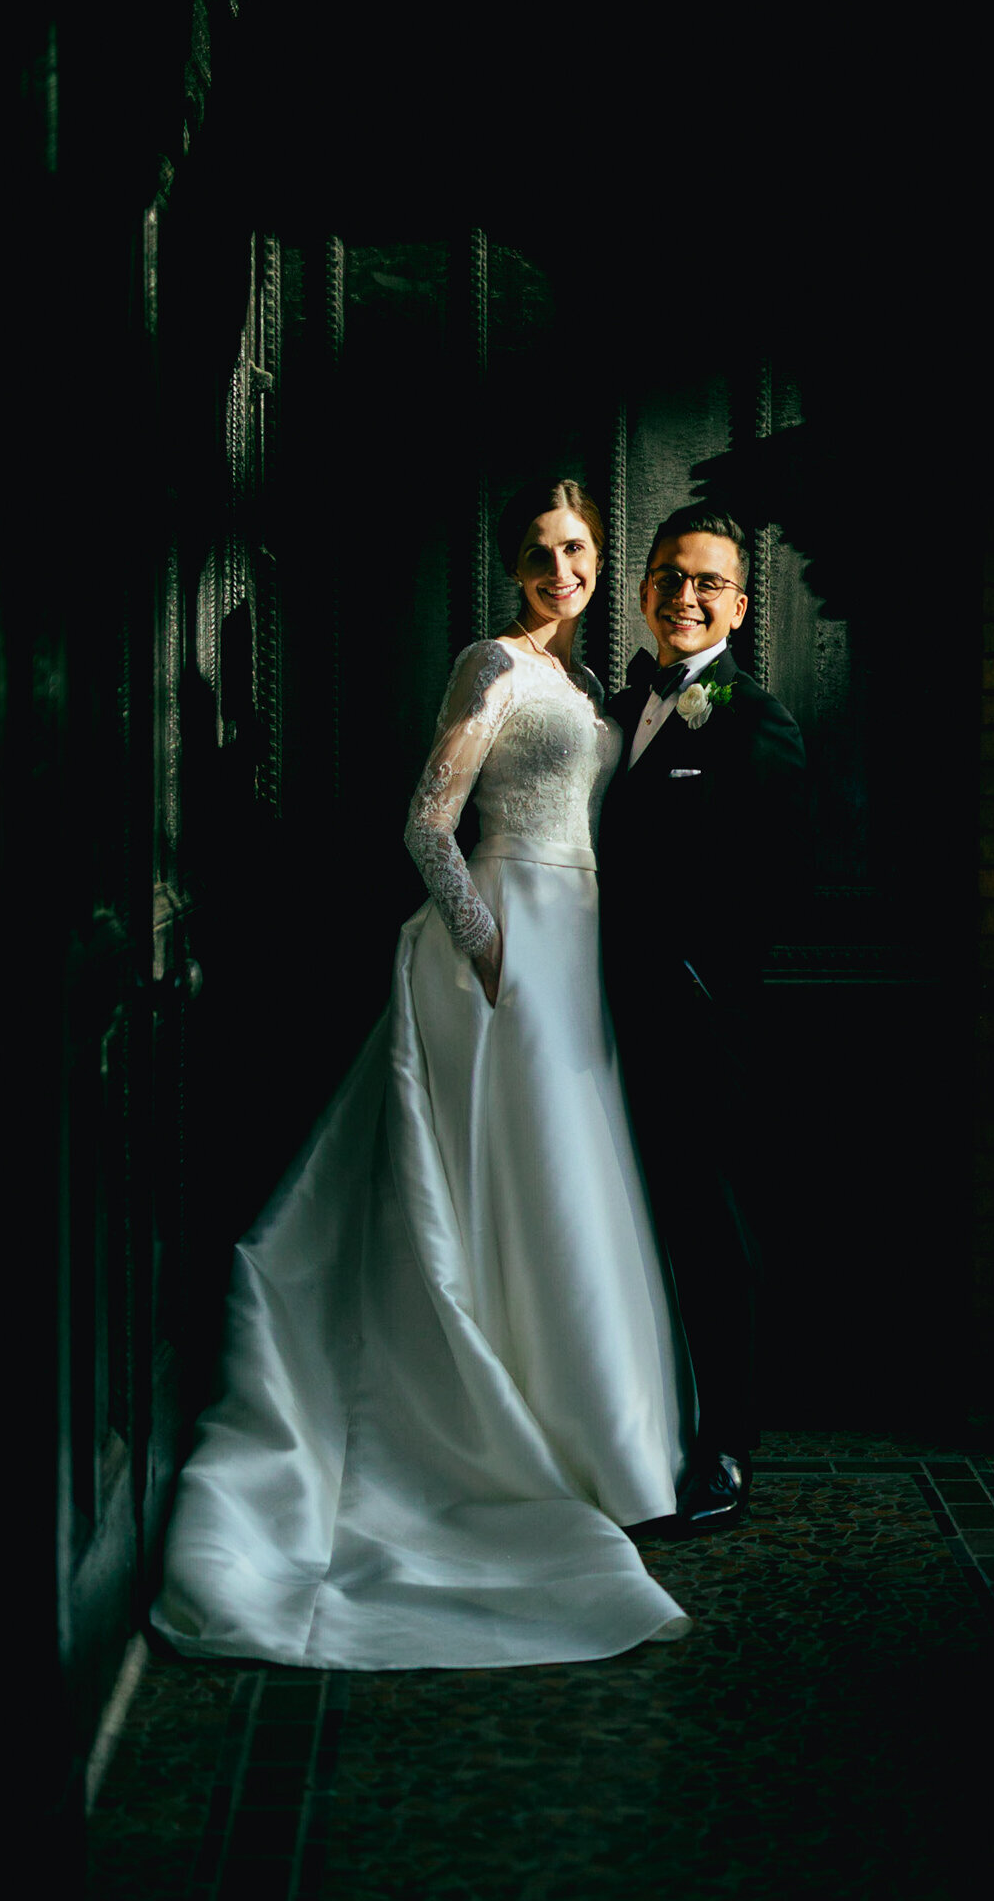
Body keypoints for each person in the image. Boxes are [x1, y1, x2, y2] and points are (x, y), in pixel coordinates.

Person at [151, 478, 693, 1672]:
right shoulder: (490, 664)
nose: (566, 569)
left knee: (569, 1178)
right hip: (502, 949)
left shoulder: (586, 685)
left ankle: (588, 1434)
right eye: (547, 552)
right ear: (513, 563)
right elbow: (424, 819)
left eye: (583, 551)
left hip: (579, 945)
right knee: (510, 1166)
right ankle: (489, 1434)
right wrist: (487, 944)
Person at [600, 506, 807, 1532]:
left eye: (707, 583)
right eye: (668, 576)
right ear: (642, 586)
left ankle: (725, 1444)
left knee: (708, 1228)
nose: (684, 597)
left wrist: (693, 983)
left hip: (694, 1025)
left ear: (737, 603)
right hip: (590, 1017)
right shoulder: (616, 704)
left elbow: (766, 890)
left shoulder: (752, 717)